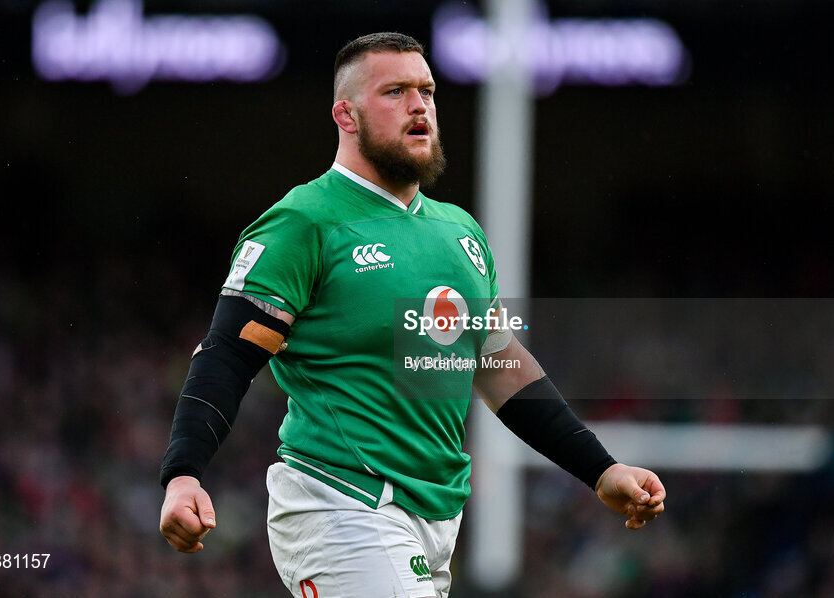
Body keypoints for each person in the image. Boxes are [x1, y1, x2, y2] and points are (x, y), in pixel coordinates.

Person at [159, 32, 666, 598]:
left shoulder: (460, 230)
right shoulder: (303, 223)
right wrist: (183, 473)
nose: (419, 105)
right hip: (342, 501)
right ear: (346, 115)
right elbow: (227, 355)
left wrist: (601, 469)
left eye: (426, 90)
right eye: (395, 91)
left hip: (435, 518)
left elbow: (499, 367)